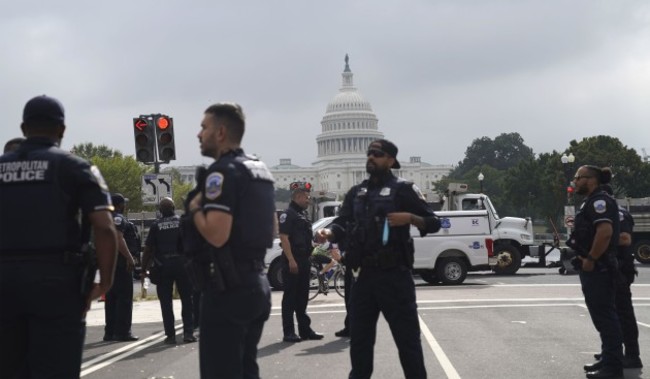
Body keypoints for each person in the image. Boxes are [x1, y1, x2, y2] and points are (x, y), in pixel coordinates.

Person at [0, 95, 118, 378]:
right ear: (62, 130)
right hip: (57, 283)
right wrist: (105, 282)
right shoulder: (75, 168)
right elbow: (104, 227)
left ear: (23, 127)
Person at [317, 139, 441, 379]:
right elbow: (342, 223)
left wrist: (410, 218)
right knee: (360, 346)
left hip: (394, 277)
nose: (371, 157)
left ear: (391, 160)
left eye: (378, 154)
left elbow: (434, 222)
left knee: (408, 345)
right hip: (363, 278)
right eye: (370, 153)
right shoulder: (356, 193)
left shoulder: (403, 189)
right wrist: (329, 233)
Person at [187, 102, 275, 378]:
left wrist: (193, 210)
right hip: (256, 284)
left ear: (221, 132)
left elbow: (216, 234)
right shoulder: (260, 170)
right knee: (246, 369)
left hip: (228, 288)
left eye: (204, 127)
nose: (199, 134)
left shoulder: (222, 172)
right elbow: (271, 228)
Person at [568, 166, 624, 379]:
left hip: (599, 268)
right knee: (601, 317)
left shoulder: (600, 202)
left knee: (606, 317)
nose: (575, 181)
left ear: (590, 180)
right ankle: (608, 360)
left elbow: (605, 233)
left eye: (578, 178)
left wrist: (591, 259)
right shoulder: (590, 202)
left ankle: (613, 367)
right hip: (594, 268)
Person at [598, 184, 643, 369]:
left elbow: (625, 238)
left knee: (623, 314)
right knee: (608, 314)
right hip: (607, 269)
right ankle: (611, 351)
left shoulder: (619, 213)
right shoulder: (608, 212)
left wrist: (600, 240)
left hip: (619, 269)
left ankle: (632, 355)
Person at [142, 197, 196, 344]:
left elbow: (148, 250)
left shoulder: (156, 225)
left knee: (166, 302)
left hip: (163, 266)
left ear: (160, 211)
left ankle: (170, 335)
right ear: (174, 208)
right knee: (187, 299)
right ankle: (188, 333)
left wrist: (143, 268)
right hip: (183, 265)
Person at [279, 181, 324, 343]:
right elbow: (284, 238)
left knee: (302, 297)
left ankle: (305, 330)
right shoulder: (288, 214)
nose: (308, 199)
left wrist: (316, 241)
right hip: (293, 260)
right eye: (306, 197)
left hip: (304, 260)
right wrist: (291, 260)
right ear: (297, 196)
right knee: (290, 297)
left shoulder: (302, 215)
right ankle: (288, 331)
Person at [104, 193, 139, 342]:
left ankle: (110, 332)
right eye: (123, 203)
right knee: (124, 299)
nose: (125, 206)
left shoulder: (104, 218)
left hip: (108, 264)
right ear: (118, 205)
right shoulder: (118, 218)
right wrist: (129, 258)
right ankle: (123, 332)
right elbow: (118, 238)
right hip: (120, 264)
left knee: (111, 299)